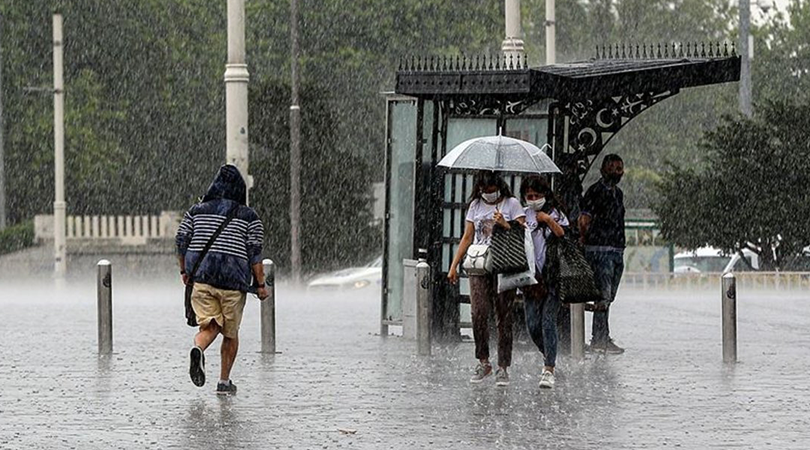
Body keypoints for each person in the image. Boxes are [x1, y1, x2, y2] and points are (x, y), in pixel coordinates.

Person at [175, 164, 269, 395]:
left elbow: (181, 241)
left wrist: (184, 271)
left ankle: (198, 347)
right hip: (233, 283)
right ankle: (224, 383)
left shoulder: (196, 211)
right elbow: (254, 254)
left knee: (211, 325)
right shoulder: (249, 217)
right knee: (230, 333)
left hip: (202, 279)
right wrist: (260, 285)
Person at [448, 170, 526, 387]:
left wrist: (504, 224)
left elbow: (523, 233)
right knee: (478, 312)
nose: (488, 194)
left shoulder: (511, 204)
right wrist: (454, 265)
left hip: (504, 264)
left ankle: (503, 365)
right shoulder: (475, 206)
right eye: (484, 190)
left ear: (498, 186)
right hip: (480, 264)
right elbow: (467, 236)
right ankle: (483, 360)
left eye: (491, 190)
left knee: (503, 315)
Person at [519, 176, 568, 389]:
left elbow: (563, 233)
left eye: (536, 196)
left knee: (548, 320)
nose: (533, 199)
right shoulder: (522, 214)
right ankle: (549, 353)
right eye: (529, 196)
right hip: (531, 278)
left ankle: (549, 368)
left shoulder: (555, 213)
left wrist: (547, 219)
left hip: (553, 276)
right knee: (532, 324)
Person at [578, 154, 626, 354]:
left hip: (616, 249)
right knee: (603, 295)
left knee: (609, 296)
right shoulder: (594, 192)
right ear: (603, 170)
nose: (617, 172)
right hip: (599, 250)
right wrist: (585, 239)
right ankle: (599, 338)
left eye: (619, 168)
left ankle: (602, 335)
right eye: (613, 168)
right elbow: (584, 220)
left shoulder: (618, 193)